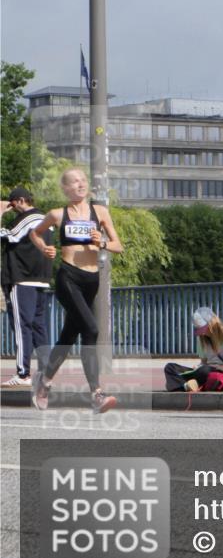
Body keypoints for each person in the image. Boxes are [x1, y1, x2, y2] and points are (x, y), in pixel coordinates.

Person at [29, 168, 122, 413]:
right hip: (68, 277)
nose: (80, 184)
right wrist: (44, 249)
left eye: (83, 180)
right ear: (65, 189)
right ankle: (96, 394)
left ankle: (45, 381)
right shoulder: (57, 214)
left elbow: (118, 245)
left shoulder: (99, 212)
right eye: (74, 182)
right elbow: (35, 233)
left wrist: (100, 242)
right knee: (91, 329)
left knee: (69, 335)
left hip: (92, 279)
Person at [1, 188, 53, 387]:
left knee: (22, 326)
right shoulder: (45, 219)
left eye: (13, 205)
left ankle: (23, 374)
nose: (12, 209)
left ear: (21, 201)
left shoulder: (28, 218)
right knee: (39, 327)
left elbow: (7, 235)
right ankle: (45, 373)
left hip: (22, 278)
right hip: (41, 279)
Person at [163, 307, 223, 391]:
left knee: (204, 371)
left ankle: (180, 386)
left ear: (211, 323)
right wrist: (198, 366)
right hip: (204, 370)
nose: (201, 331)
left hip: (219, 372)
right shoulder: (201, 338)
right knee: (170, 367)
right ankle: (186, 386)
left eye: (202, 327)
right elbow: (204, 362)